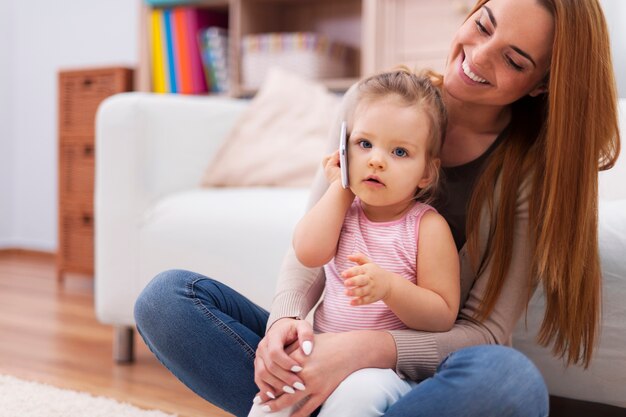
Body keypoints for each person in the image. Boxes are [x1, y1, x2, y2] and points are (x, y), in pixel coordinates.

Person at [134, 0, 621, 416]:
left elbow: (487, 334)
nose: (478, 56)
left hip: (416, 376)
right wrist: (285, 326)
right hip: (322, 343)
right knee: (166, 300)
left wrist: (360, 352)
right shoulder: (374, 104)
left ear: (540, 84)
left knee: (511, 382)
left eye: (514, 60)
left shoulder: (527, 173)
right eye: (483, 24)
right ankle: (307, 396)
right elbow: (309, 251)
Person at [247, 69, 460, 417]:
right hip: (320, 353)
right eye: (364, 144)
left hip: (384, 374)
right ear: (344, 151)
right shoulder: (342, 209)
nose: (376, 159)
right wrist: (340, 190)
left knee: (357, 397)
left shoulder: (426, 227)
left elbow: (442, 314)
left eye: (400, 152)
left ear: (426, 173)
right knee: (272, 399)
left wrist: (390, 288)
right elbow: (308, 251)